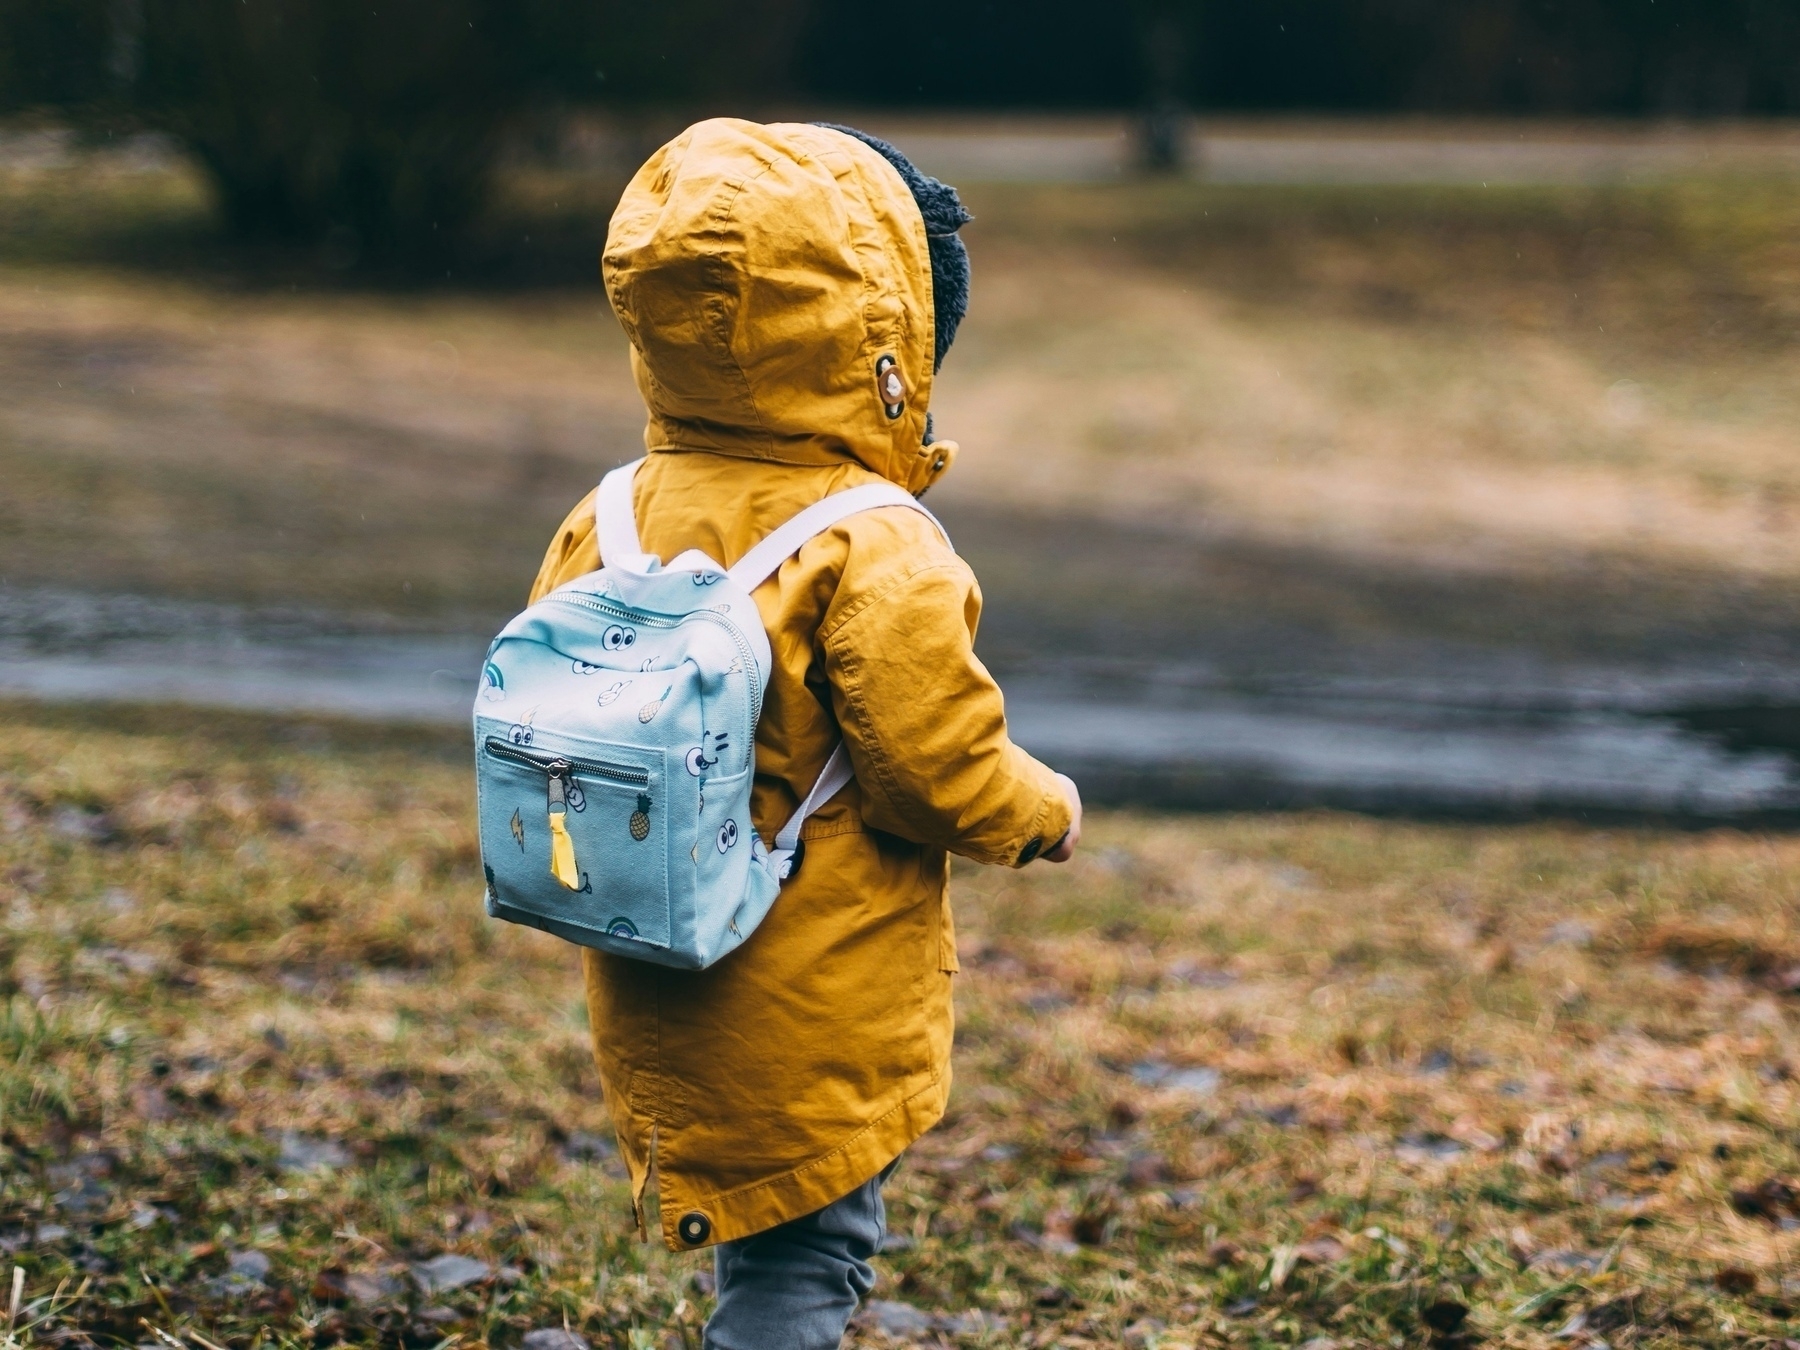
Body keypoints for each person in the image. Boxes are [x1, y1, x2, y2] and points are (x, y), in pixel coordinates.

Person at [528, 118, 1082, 1350]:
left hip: (651, 954)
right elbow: (935, 767)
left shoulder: (609, 514)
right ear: (881, 337)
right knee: (808, 1259)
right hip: (806, 984)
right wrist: (1043, 808)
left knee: (764, 1244)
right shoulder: (869, 540)